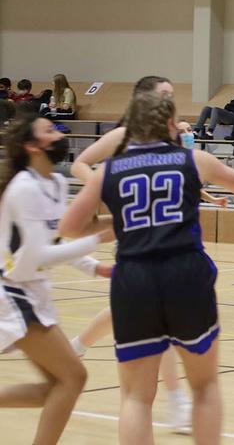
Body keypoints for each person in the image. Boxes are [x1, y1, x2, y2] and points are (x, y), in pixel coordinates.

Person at [60, 91, 234, 444]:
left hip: (134, 278)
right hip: (185, 273)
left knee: (136, 397)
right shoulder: (192, 159)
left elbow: (71, 228)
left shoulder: (107, 171)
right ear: (169, 123)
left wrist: (118, 221)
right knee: (205, 386)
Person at [69, 75, 210, 433]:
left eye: (172, 95)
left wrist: (203, 193)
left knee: (136, 312)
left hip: (172, 238)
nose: (171, 101)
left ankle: (79, 344)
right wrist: (105, 190)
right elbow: (80, 164)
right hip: (137, 235)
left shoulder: (170, 137)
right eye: (165, 95)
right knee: (155, 323)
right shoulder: (123, 135)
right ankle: (177, 401)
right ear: (145, 99)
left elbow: (182, 174)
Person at [0, 113, 114, 445]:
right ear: (31, 145)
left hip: (33, 292)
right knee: (73, 377)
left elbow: (60, 236)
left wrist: (94, 266)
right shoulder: (23, 187)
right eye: (49, 131)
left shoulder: (56, 183)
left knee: (57, 387)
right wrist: (99, 240)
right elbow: (37, 255)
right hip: (13, 294)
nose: (58, 134)